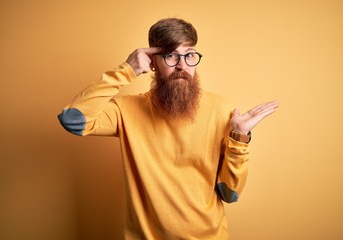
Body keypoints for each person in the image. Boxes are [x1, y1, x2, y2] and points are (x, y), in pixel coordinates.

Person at [58, 18, 279, 240]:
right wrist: (126, 71)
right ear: (152, 62)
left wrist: (239, 138)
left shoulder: (223, 111)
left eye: (190, 55)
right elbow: (72, 119)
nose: (182, 65)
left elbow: (230, 194)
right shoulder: (126, 110)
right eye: (171, 55)